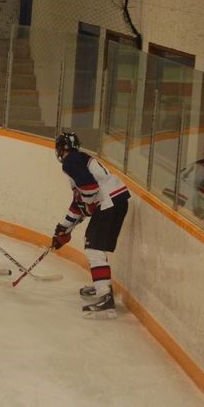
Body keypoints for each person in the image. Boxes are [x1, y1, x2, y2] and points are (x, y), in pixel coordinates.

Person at [49, 132, 130, 319]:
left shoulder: (70, 162)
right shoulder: (80, 159)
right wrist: (64, 227)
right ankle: (101, 286)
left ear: (61, 149)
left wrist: (88, 205)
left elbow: (89, 190)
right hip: (118, 200)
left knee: (93, 247)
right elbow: (81, 202)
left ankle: (105, 297)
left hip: (108, 202)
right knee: (97, 247)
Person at [162, 139, 204, 218]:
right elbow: (185, 186)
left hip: (180, 197)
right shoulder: (203, 168)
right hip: (178, 198)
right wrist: (196, 209)